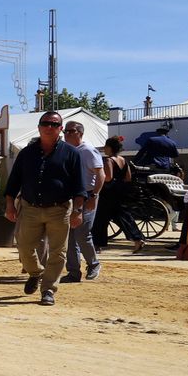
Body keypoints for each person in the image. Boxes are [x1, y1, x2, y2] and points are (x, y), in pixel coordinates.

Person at [4, 111, 88, 306]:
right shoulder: (27, 152)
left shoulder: (71, 153)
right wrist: (9, 205)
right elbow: (14, 181)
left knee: (58, 252)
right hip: (30, 208)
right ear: (39, 127)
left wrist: (78, 210)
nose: (49, 127)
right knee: (24, 246)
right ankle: (35, 272)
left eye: (54, 124)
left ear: (60, 129)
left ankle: (48, 289)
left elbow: (79, 185)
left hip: (59, 209)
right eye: (45, 123)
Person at [62, 120, 105, 282]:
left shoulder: (87, 150)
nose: (66, 134)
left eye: (70, 131)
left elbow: (101, 175)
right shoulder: (70, 151)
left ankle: (93, 264)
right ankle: (73, 271)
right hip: (73, 196)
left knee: (81, 232)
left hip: (87, 194)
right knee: (71, 235)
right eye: (65, 131)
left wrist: (94, 196)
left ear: (79, 133)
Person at [94, 136, 145, 252]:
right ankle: (137, 238)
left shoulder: (108, 160)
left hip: (108, 193)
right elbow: (128, 177)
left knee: (101, 219)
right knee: (123, 217)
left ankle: (97, 244)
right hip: (120, 193)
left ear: (109, 147)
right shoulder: (122, 160)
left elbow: (108, 178)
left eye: (106, 147)